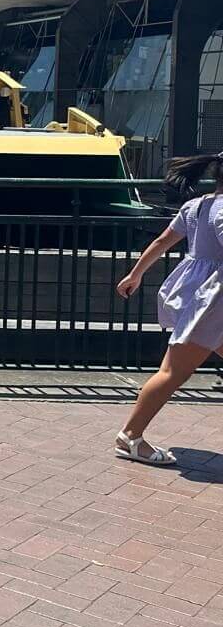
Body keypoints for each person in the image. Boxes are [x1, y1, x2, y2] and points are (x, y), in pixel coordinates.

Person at [114, 152, 223, 466]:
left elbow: (163, 241)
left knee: (172, 371)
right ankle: (130, 437)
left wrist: (135, 274)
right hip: (213, 301)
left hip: (199, 294)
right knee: (172, 372)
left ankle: (130, 436)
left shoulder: (197, 205)